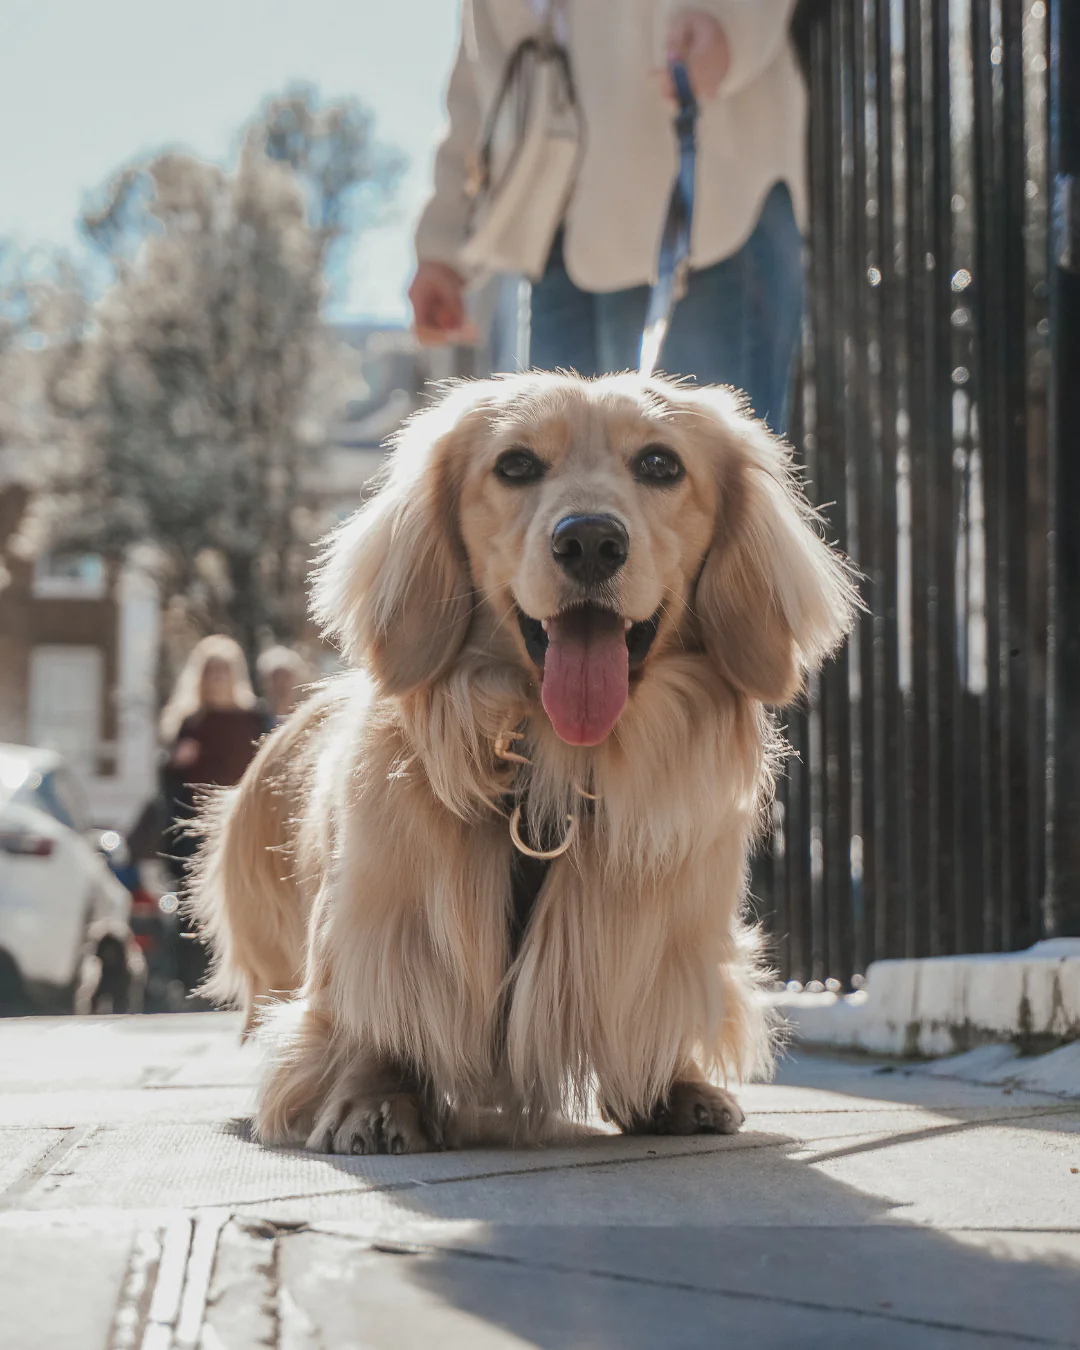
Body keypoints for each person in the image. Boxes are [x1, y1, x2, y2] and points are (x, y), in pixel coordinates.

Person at [409, 2, 806, 433]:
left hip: (707, 202)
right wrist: (444, 243)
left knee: (697, 476)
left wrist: (734, 24)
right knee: (559, 480)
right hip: (555, 235)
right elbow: (479, 71)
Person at [159, 635, 269, 991]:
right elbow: (170, 787)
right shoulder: (190, 722)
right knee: (195, 906)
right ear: (200, 677)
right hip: (197, 831)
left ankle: (250, 980)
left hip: (244, 827)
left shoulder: (256, 718)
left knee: (248, 902)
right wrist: (174, 764)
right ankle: (194, 984)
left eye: (223, 671)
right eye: (211, 672)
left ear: (235, 674)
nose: (218, 678)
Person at [256, 646, 312, 727]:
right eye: (276, 678)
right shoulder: (257, 718)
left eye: (285, 678)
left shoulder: (304, 716)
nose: (281, 684)